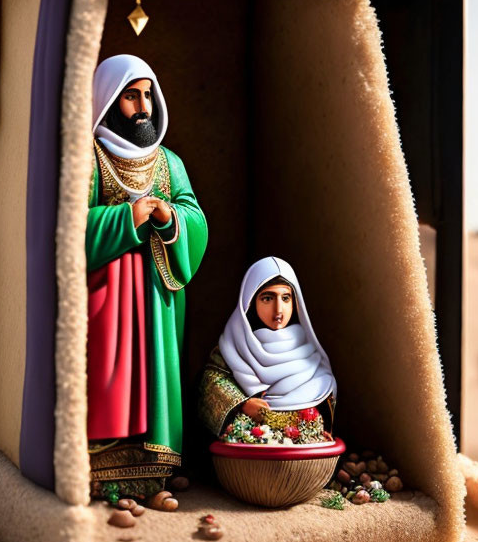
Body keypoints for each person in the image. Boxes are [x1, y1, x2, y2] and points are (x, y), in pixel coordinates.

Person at [86, 54, 208, 505]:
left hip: (156, 299)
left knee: (153, 372)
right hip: (105, 299)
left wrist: (170, 215)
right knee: (109, 377)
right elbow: (66, 228)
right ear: (111, 101)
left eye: (147, 96)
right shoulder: (89, 157)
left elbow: (195, 218)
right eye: (131, 97)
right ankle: (101, 464)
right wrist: (125, 217)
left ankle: (155, 465)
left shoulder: (168, 162)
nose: (143, 108)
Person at [198, 256, 336, 442]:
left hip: (302, 440)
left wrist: (313, 425)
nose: (278, 309)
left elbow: (323, 390)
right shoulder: (234, 345)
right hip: (251, 439)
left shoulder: (307, 349)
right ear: (251, 301)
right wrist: (243, 405)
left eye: (286, 298)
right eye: (267, 298)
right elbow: (211, 383)